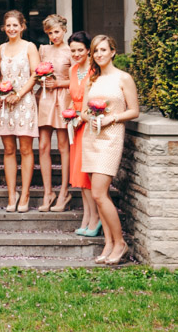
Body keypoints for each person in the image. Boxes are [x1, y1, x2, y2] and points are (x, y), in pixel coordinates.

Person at [81, 34, 139, 265]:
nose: (99, 54)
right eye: (96, 51)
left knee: (99, 193)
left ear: (113, 52)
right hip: (91, 137)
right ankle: (108, 244)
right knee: (99, 196)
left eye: (103, 50)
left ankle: (120, 243)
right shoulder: (92, 80)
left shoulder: (124, 78)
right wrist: (90, 117)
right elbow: (84, 111)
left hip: (111, 137)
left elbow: (134, 110)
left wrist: (110, 119)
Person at [0, 10, 39, 212]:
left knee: (25, 149)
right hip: (5, 103)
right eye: (8, 25)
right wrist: (2, 91)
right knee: (9, 149)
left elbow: (35, 75)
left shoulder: (30, 47)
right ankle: (12, 194)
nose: (12, 29)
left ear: (22, 26)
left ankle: (25, 193)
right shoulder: (1, 48)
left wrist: (18, 94)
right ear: (4, 28)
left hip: (24, 101)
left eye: (15, 25)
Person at [37, 13, 73, 212]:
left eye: (57, 31)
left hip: (63, 98)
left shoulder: (71, 51)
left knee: (62, 146)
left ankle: (63, 192)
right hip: (45, 97)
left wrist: (58, 82)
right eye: (50, 33)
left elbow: (78, 78)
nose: (54, 36)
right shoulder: (43, 49)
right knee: (43, 145)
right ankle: (47, 192)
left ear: (64, 30)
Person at [67, 31, 100, 235]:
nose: (77, 54)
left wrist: (81, 117)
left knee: (87, 173)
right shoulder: (72, 70)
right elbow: (73, 97)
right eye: (73, 50)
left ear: (88, 50)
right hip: (75, 125)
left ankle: (95, 218)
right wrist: (70, 115)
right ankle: (87, 215)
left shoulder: (94, 71)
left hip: (88, 124)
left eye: (80, 50)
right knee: (78, 173)